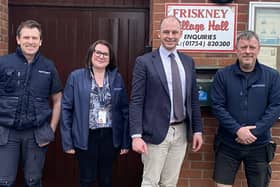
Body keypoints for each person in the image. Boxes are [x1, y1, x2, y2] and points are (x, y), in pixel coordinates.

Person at [129, 16, 203, 187]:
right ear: (159, 34)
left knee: (170, 183)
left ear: (181, 34)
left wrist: (197, 130)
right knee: (150, 182)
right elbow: (137, 100)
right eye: (166, 32)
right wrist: (136, 136)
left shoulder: (188, 62)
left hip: (181, 132)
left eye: (175, 32)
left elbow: (193, 99)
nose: (171, 36)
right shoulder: (145, 62)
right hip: (155, 133)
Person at [211, 30, 280, 187]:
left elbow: (276, 107)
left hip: (260, 144)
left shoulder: (272, 76)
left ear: (258, 49)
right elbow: (217, 106)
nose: (247, 51)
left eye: (252, 47)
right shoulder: (223, 75)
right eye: (243, 47)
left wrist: (253, 132)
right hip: (228, 143)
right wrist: (237, 130)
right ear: (237, 50)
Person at [0, 20, 62, 186]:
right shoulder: (3, 63)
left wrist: (51, 129)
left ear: (40, 41)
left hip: (37, 133)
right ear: (18, 40)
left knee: (33, 181)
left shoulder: (48, 67)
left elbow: (57, 100)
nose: (30, 41)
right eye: (26, 37)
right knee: (4, 182)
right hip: (6, 132)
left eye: (35, 38)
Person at [60, 40, 130, 187]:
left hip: (110, 137)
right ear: (91, 54)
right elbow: (66, 109)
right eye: (97, 52)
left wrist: (125, 141)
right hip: (86, 137)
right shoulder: (76, 77)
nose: (101, 56)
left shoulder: (117, 78)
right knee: (87, 180)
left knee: (106, 180)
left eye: (105, 54)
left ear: (110, 58)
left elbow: (125, 110)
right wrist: (67, 142)